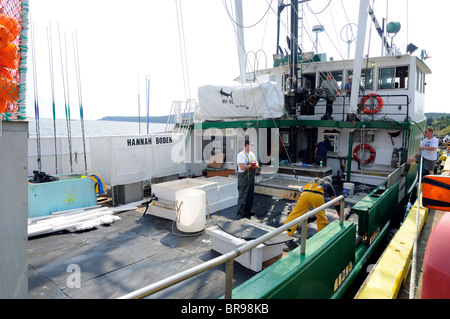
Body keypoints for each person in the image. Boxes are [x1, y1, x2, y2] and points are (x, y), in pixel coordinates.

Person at [236, 140, 259, 219]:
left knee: (250, 194)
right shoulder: (241, 155)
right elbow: (242, 167)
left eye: (253, 145)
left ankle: (248, 210)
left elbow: (256, 162)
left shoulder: (252, 154)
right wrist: (251, 165)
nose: (253, 146)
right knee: (243, 195)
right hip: (244, 178)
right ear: (247, 145)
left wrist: (256, 166)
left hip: (251, 178)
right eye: (251, 145)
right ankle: (240, 213)